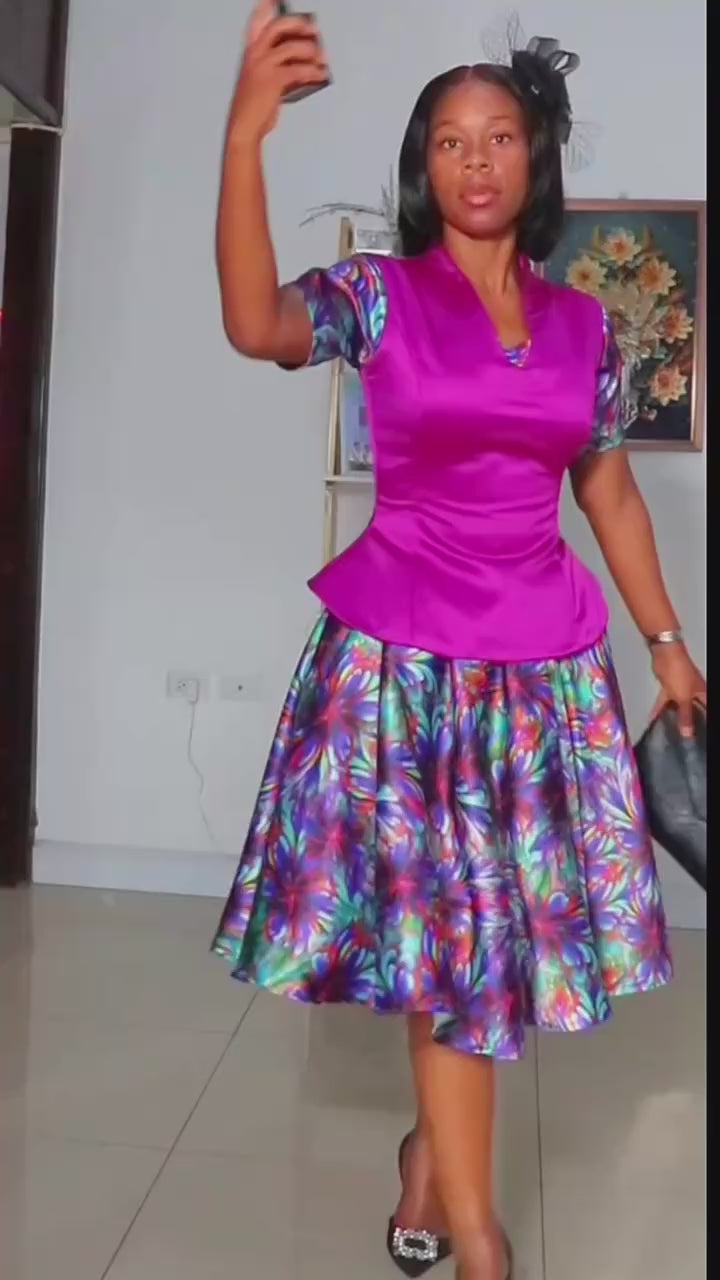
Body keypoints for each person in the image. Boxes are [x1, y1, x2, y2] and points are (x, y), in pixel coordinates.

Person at [212, 4, 706, 1278]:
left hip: (540, 673)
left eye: (499, 136)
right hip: (401, 667)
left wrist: (666, 639)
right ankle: (480, 1235)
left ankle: (430, 1164)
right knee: (455, 939)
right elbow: (256, 324)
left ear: (535, 160)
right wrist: (247, 136)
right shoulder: (376, 298)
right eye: (448, 140)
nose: (475, 159)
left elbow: (608, 494)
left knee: (495, 937)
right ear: (421, 167)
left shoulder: (586, 328)